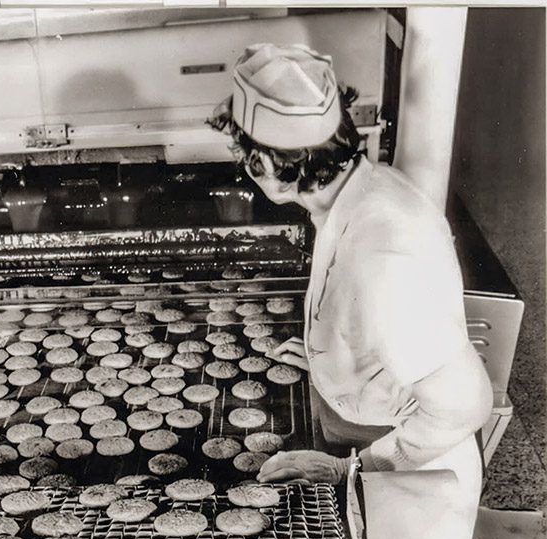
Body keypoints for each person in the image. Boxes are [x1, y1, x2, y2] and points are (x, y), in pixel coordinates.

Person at [209, 43, 492, 498]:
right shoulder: (361, 190)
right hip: (383, 428)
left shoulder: (382, 252)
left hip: (418, 470)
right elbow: (385, 327)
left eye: (248, 158)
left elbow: (463, 404)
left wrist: (352, 470)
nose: (247, 169)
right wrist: (335, 360)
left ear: (268, 164)